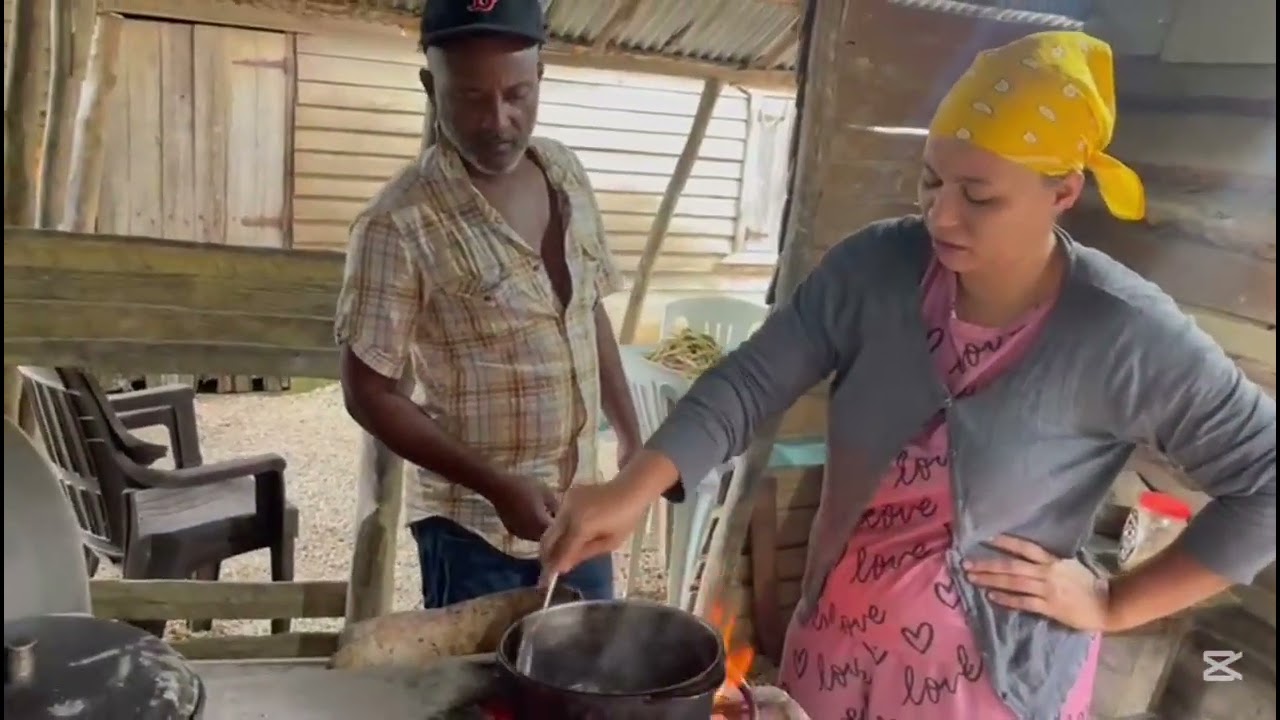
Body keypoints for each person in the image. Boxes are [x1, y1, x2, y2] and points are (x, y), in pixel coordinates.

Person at [540, 31, 1277, 719]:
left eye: (979, 196)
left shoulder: (1122, 333)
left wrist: (1115, 604)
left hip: (987, 690)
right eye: (931, 182)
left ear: (1063, 193)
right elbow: (749, 383)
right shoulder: (875, 270)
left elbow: (1267, 479)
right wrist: (631, 488)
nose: (941, 216)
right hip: (833, 659)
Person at [335, 0, 642, 609]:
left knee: (588, 689)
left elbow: (586, 312)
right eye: (472, 97)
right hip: (472, 532)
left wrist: (631, 434)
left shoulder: (565, 173)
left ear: (540, 79)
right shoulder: (398, 223)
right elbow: (367, 392)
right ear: (430, 86)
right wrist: (495, 484)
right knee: (484, 698)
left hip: (582, 513)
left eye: (517, 94)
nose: (499, 121)